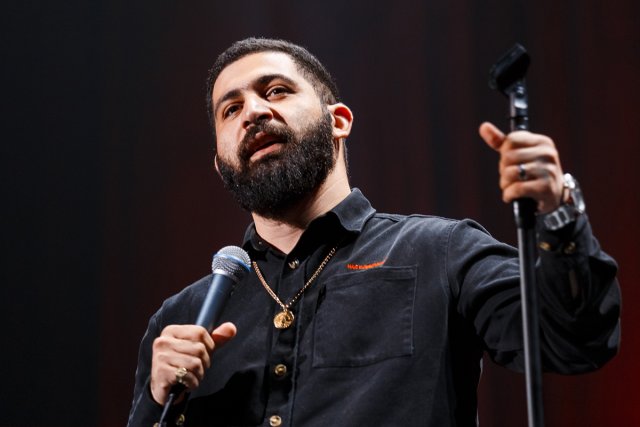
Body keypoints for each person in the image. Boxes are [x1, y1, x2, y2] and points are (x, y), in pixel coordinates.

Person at [127, 38, 620, 427]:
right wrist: (156, 400)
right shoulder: (181, 318)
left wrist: (558, 211)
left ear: (338, 121)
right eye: (230, 109)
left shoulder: (439, 252)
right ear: (220, 164)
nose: (253, 112)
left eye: (275, 91)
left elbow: (573, 338)